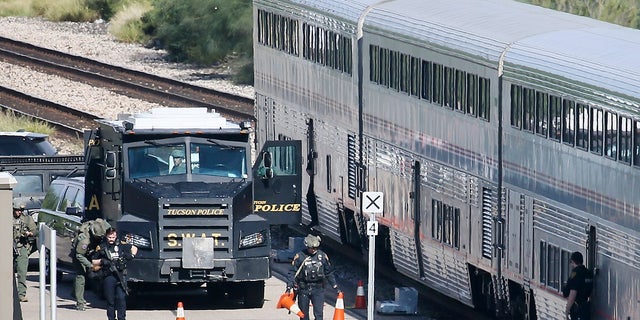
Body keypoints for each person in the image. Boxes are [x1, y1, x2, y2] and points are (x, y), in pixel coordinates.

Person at [288, 234, 340, 320]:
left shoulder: (322, 256)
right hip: (303, 289)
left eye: (315, 248)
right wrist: (289, 286)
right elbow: (292, 272)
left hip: (318, 289)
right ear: (307, 246)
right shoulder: (300, 256)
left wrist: (335, 286)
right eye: (311, 248)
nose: (313, 250)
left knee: (319, 314)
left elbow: (328, 272)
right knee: (304, 315)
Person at [92, 227, 137, 320]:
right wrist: (102, 261)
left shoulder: (121, 244)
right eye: (109, 237)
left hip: (120, 276)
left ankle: (122, 318)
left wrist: (130, 256)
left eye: (113, 237)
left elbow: (134, 248)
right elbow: (93, 262)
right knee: (110, 301)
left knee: (121, 299)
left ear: (116, 236)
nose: (111, 239)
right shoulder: (102, 247)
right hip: (108, 276)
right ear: (106, 236)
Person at [72, 218, 111, 311]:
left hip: (92, 251)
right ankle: (80, 302)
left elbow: (110, 229)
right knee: (81, 276)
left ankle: (75, 292)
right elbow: (79, 255)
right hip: (80, 254)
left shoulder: (103, 225)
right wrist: (91, 265)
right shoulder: (84, 240)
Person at [12, 199, 38, 302]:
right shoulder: (6, 217)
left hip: (21, 246)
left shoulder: (26, 219)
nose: (20, 212)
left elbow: (35, 230)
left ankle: (21, 294)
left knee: (22, 272)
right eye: (18, 210)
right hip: (8, 247)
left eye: (21, 210)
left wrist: (29, 233)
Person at [562, 251, 593, 320]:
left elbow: (573, 294)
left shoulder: (575, 274)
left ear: (573, 261)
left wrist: (567, 311)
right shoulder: (588, 273)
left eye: (571, 262)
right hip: (586, 308)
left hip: (577, 309)